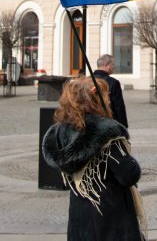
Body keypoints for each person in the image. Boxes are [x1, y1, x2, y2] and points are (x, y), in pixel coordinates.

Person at [42, 76, 145, 240]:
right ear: (94, 99)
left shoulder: (61, 131)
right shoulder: (107, 132)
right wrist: (131, 161)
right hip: (110, 215)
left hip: (80, 213)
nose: (109, 101)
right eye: (106, 96)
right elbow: (127, 175)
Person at [93, 54, 128, 127]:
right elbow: (119, 107)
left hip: (90, 123)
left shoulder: (86, 81)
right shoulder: (113, 82)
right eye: (113, 65)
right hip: (108, 123)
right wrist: (123, 126)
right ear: (107, 65)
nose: (114, 67)